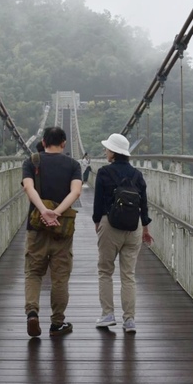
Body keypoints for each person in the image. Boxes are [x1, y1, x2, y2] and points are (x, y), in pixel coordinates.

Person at [22, 126, 83, 338]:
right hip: (62, 228)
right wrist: (56, 213)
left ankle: (32, 313)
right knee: (60, 277)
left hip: (36, 226)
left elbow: (28, 189)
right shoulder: (73, 165)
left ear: (44, 142)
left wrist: (43, 212)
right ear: (64, 143)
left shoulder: (32, 161)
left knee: (34, 271)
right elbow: (76, 192)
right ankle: (57, 323)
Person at [92, 132, 152, 334]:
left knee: (105, 271)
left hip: (110, 226)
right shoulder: (137, 175)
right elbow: (143, 203)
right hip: (133, 227)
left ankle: (108, 314)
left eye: (107, 148)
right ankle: (130, 321)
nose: (105, 151)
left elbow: (98, 202)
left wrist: (96, 222)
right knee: (128, 275)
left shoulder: (104, 172)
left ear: (114, 152)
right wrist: (145, 227)